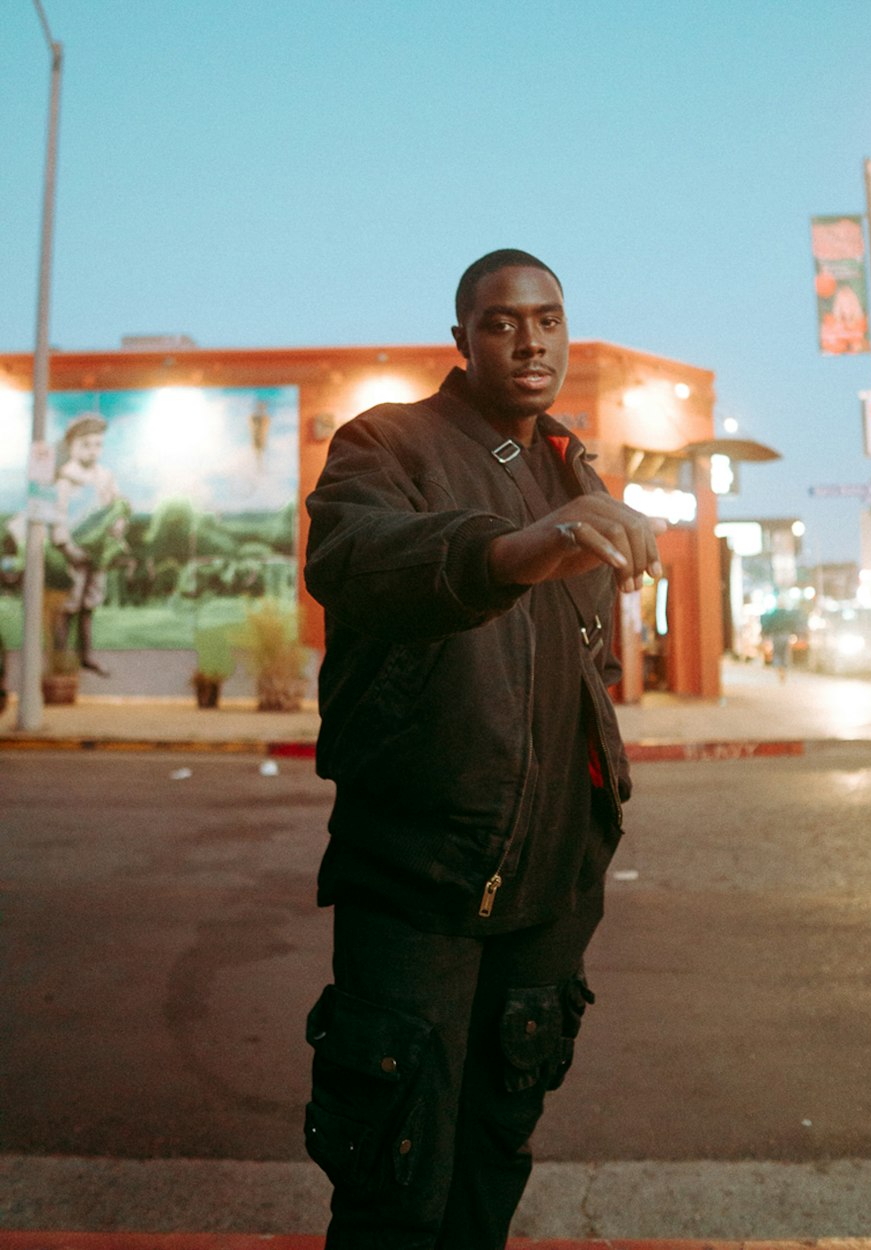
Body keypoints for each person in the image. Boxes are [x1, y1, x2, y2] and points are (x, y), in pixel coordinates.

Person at [303, 248, 666, 1249]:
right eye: (502, 321)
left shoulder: (569, 461)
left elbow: (575, 670)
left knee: (491, 1158)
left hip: (549, 883)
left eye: (547, 318)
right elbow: (350, 555)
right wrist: (508, 550)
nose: (529, 338)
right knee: (396, 1170)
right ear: (461, 338)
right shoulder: (391, 441)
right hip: (421, 872)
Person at [49, 413, 129, 676]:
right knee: (70, 602)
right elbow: (57, 515)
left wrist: (116, 530)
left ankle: (87, 655)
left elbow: (116, 508)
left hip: (98, 550)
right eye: (86, 444)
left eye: (97, 444)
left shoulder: (105, 477)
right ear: (72, 445)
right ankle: (60, 658)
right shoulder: (65, 478)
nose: (92, 451)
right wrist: (67, 546)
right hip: (74, 549)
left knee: (90, 601)